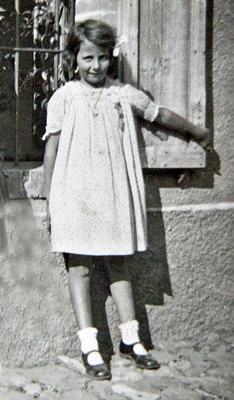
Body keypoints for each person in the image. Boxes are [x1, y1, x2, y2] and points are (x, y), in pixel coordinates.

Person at [43, 19, 211, 381]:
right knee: (80, 266)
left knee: (118, 262)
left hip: (112, 194)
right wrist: (50, 201)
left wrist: (197, 133)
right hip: (73, 194)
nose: (95, 66)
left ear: (111, 59)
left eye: (102, 58)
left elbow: (159, 114)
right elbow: (52, 151)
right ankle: (89, 345)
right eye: (87, 57)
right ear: (74, 58)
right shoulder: (64, 98)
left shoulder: (123, 94)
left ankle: (131, 339)